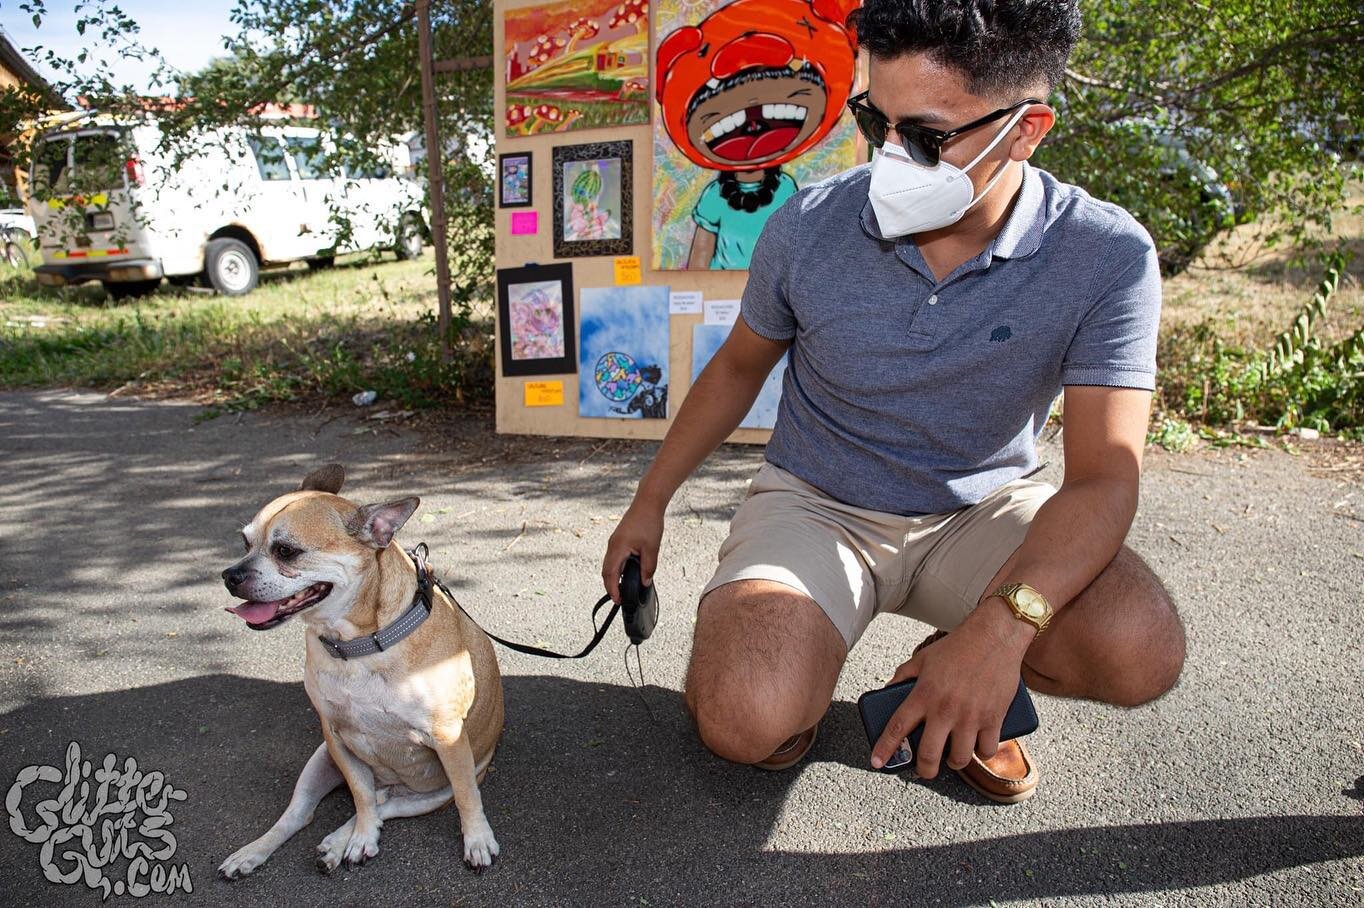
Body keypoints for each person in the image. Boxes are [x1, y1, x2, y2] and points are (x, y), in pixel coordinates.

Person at [602, 0, 1185, 803]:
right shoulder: (807, 225)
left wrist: (999, 630)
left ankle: (956, 666)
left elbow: (1101, 480)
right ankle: (821, 674)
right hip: (817, 504)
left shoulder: (1107, 255)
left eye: (927, 136)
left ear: (1027, 129)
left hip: (985, 510)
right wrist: (649, 501)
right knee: (745, 720)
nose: (889, 155)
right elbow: (737, 369)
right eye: (876, 119)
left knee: (1139, 648)